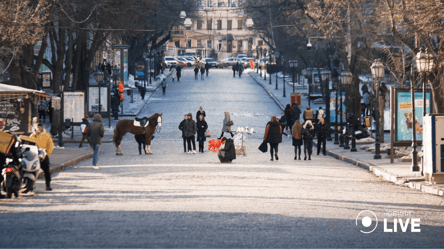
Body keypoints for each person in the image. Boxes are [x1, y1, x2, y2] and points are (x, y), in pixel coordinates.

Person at [30, 123, 54, 191]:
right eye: (37, 127)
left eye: (40, 127)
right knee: (32, 170)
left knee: (46, 170)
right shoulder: (32, 135)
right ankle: (30, 185)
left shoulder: (46, 135)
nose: (38, 129)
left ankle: (48, 185)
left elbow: (50, 145)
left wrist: (47, 154)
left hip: (44, 155)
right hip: (34, 155)